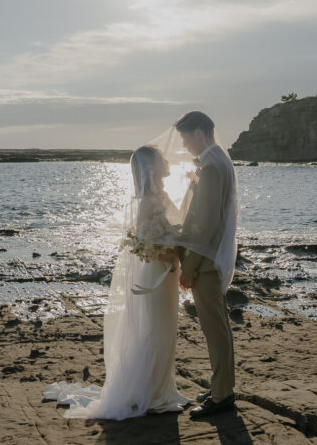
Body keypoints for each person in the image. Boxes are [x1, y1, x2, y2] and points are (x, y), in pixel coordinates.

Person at [42, 145, 190, 419]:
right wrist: (169, 249)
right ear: (150, 167)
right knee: (154, 329)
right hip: (156, 271)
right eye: (160, 159)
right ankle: (153, 395)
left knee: (166, 328)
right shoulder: (147, 199)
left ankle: (163, 389)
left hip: (167, 269)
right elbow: (146, 241)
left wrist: (176, 248)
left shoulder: (162, 195)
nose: (166, 161)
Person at [174, 111, 239, 419]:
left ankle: (223, 395)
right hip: (211, 257)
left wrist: (190, 266)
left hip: (208, 261)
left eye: (186, 138)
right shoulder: (216, 161)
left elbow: (206, 224)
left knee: (215, 329)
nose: (185, 145)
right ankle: (220, 387)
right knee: (218, 326)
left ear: (199, 134)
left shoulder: (212, 167)